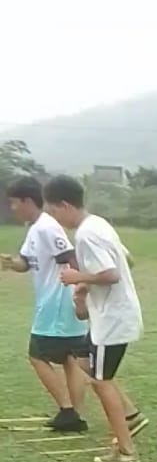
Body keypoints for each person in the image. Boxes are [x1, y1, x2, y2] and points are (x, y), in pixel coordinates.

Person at [43, 175, 144, 462]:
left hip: (112, 320)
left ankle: (126, 449)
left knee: (101, 382)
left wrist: (79, 277)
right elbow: (126, 260)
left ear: (65, 205)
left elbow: (111, 274)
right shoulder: (98, 223)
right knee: (83, 360)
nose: (55, 218)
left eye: (54, 211)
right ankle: (129, 419)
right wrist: (87, 287)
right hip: (109, 316)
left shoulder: (87, 234)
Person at [0, 175, 89, 433]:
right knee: (70, 358)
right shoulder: (35, 228)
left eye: (14, 203)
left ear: (28, 201)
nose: (12, 208)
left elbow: (70, 257)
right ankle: (74, 414)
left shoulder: (47, 227)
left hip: (57, 304)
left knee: (37, 355)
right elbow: (26, 264)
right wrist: (10, 262)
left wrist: (80, 287)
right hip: (59, 304)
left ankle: (68, 410)